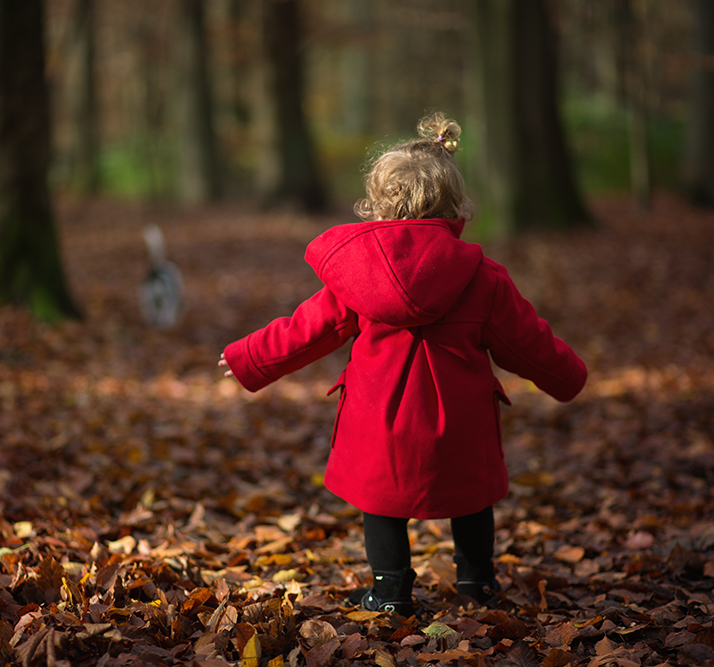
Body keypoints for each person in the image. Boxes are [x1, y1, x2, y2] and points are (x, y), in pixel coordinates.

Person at [218, 113, 587, 615]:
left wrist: (248, 357)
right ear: (454, 204)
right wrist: (568, 376)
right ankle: (477, 583)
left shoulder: (356, 276)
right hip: (460, 421)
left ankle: (390, 590)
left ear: (379, 203)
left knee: (381, 506)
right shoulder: (483, 277)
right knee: (473, 501)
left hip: (380, 419)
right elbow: (527, 343)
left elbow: (308, 329)